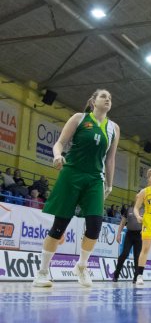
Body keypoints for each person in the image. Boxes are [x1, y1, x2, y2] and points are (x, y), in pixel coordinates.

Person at [32, 89, 119, 287]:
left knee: (96, 225)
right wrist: (56, 155)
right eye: (104, 96)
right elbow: (60, 143)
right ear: (92, 101)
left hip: (95, 178)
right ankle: (43, 272)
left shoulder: (114, 128)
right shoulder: (79, 119)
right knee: (59, 225)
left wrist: (110, 184)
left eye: (110, 97)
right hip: (72, 174)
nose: (108, 99)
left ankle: (81, 266)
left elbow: (111, 159)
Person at [111, 199, 143, 283]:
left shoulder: (145, 210)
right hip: (129, 235)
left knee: (137, 257)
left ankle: (136, 278)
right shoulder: (129, 209)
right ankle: (116, 275)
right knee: (124, 254)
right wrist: (118, 234)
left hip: (139, 236)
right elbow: (122, 223)